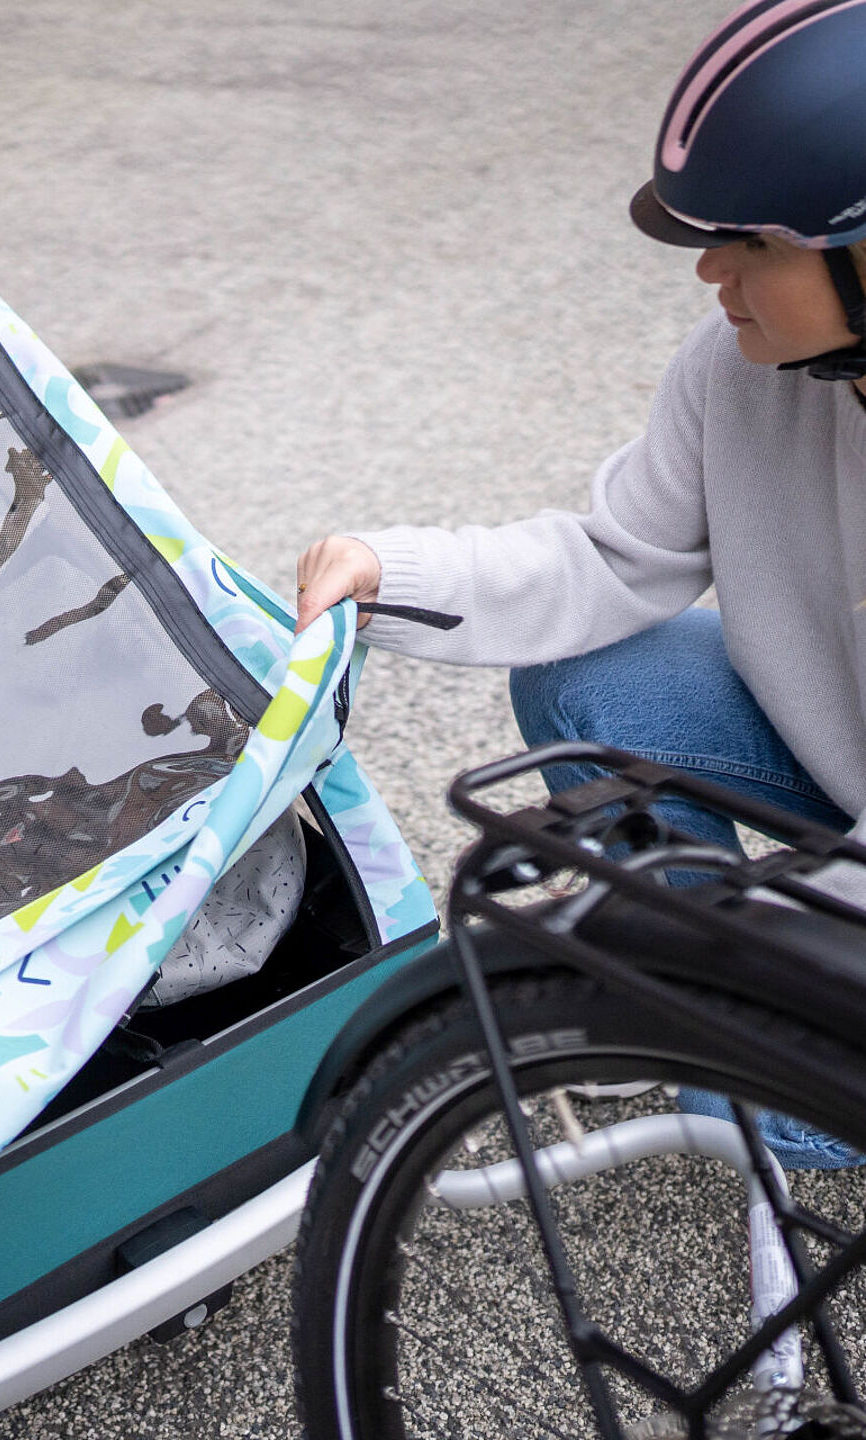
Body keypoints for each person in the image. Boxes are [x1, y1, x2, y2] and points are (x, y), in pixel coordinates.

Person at [293, 0, 866, 1168]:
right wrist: (382, 571)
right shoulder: (740, 368)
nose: (708, 271)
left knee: (744, 1101)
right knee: (591, 666)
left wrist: (748, 966)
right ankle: (694, 992)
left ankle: (738, 1029)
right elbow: (609, 561)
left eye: (750, 244)